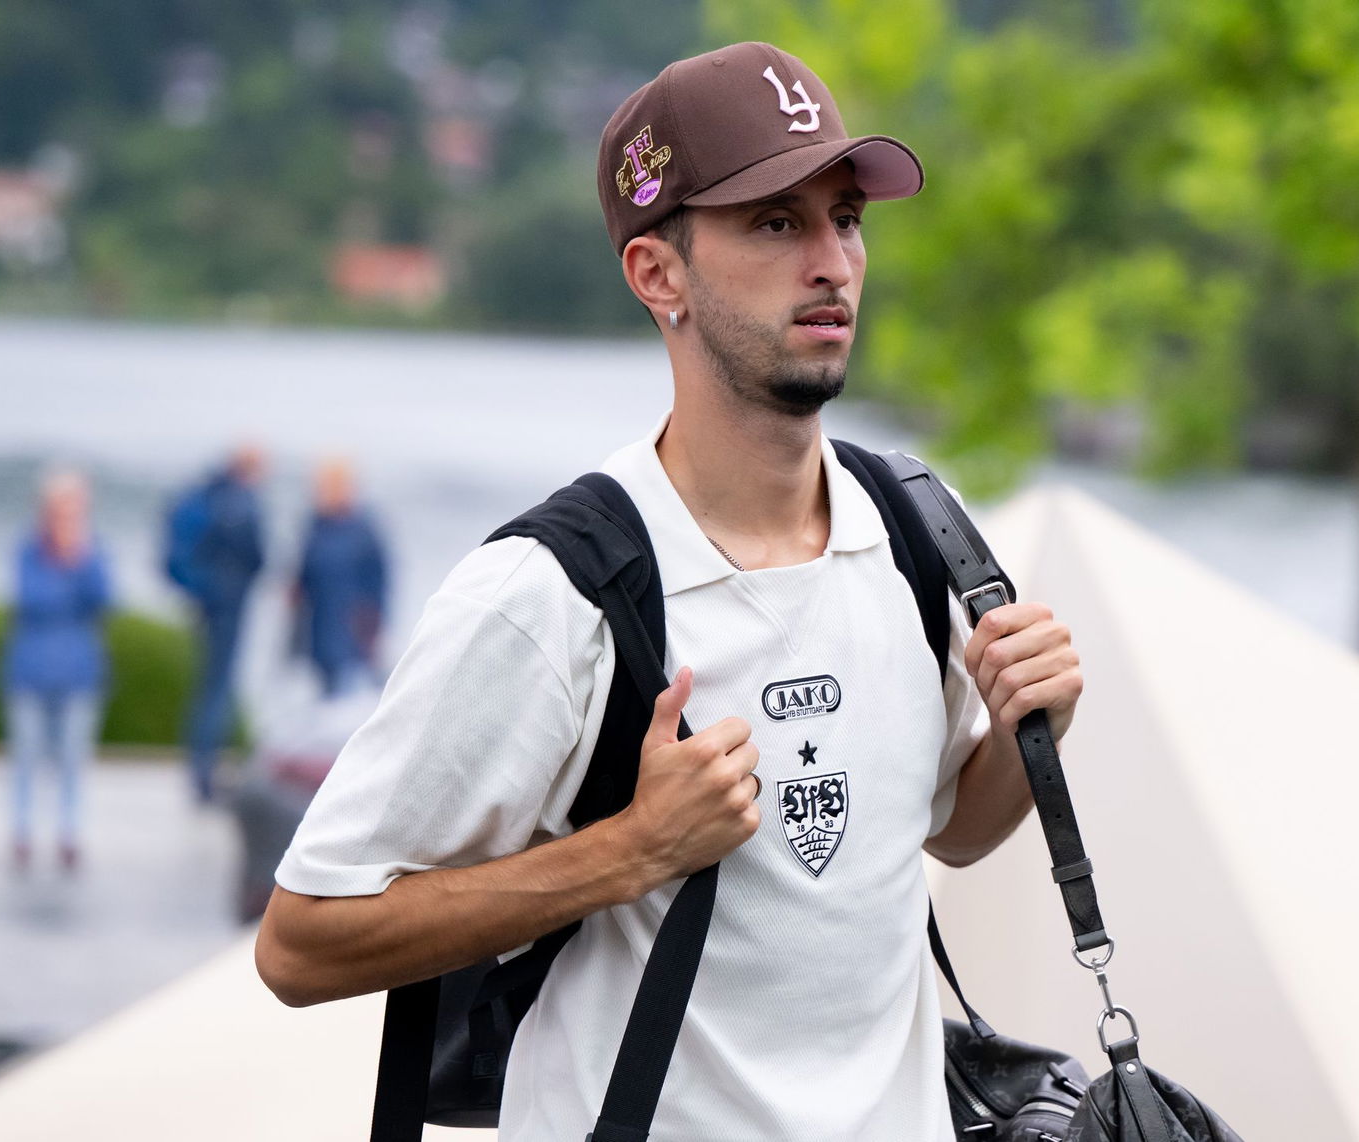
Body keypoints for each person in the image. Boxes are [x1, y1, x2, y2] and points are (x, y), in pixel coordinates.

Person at [257, 42, 1083, 1140]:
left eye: (845, 217)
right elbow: (300, 941)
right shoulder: (552, 591)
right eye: (775, 223)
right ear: (659, 275)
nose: (833, 261)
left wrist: (1028, 733)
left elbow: (945, 833)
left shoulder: (909, 532)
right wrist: (630, 850)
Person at [0, 466, 112, 871]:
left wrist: (79, 559)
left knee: (72, 758)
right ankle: (22, 830)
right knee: (25, 756)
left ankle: (69, 831)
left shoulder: (91, 549)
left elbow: (103, 598)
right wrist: (67, 573)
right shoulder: (29, 549)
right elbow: (33, 599)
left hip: (78, 671)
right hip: (30, 669)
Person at [164, 444, 265, 803]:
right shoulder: (240, 502)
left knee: (207, 687)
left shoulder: (205, 495)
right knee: (217, 689)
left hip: (206, 604)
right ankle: (206, 772)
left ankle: (201, 770)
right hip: (228, 605)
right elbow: (257, 555)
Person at [289, 458, 388, 697]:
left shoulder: (363, 529)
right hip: (316, 619)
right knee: (320, 683)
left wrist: (375, 626)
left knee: (348, 689)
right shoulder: (316, 523)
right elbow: (304, 568)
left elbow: (379, 580)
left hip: (351, 622)